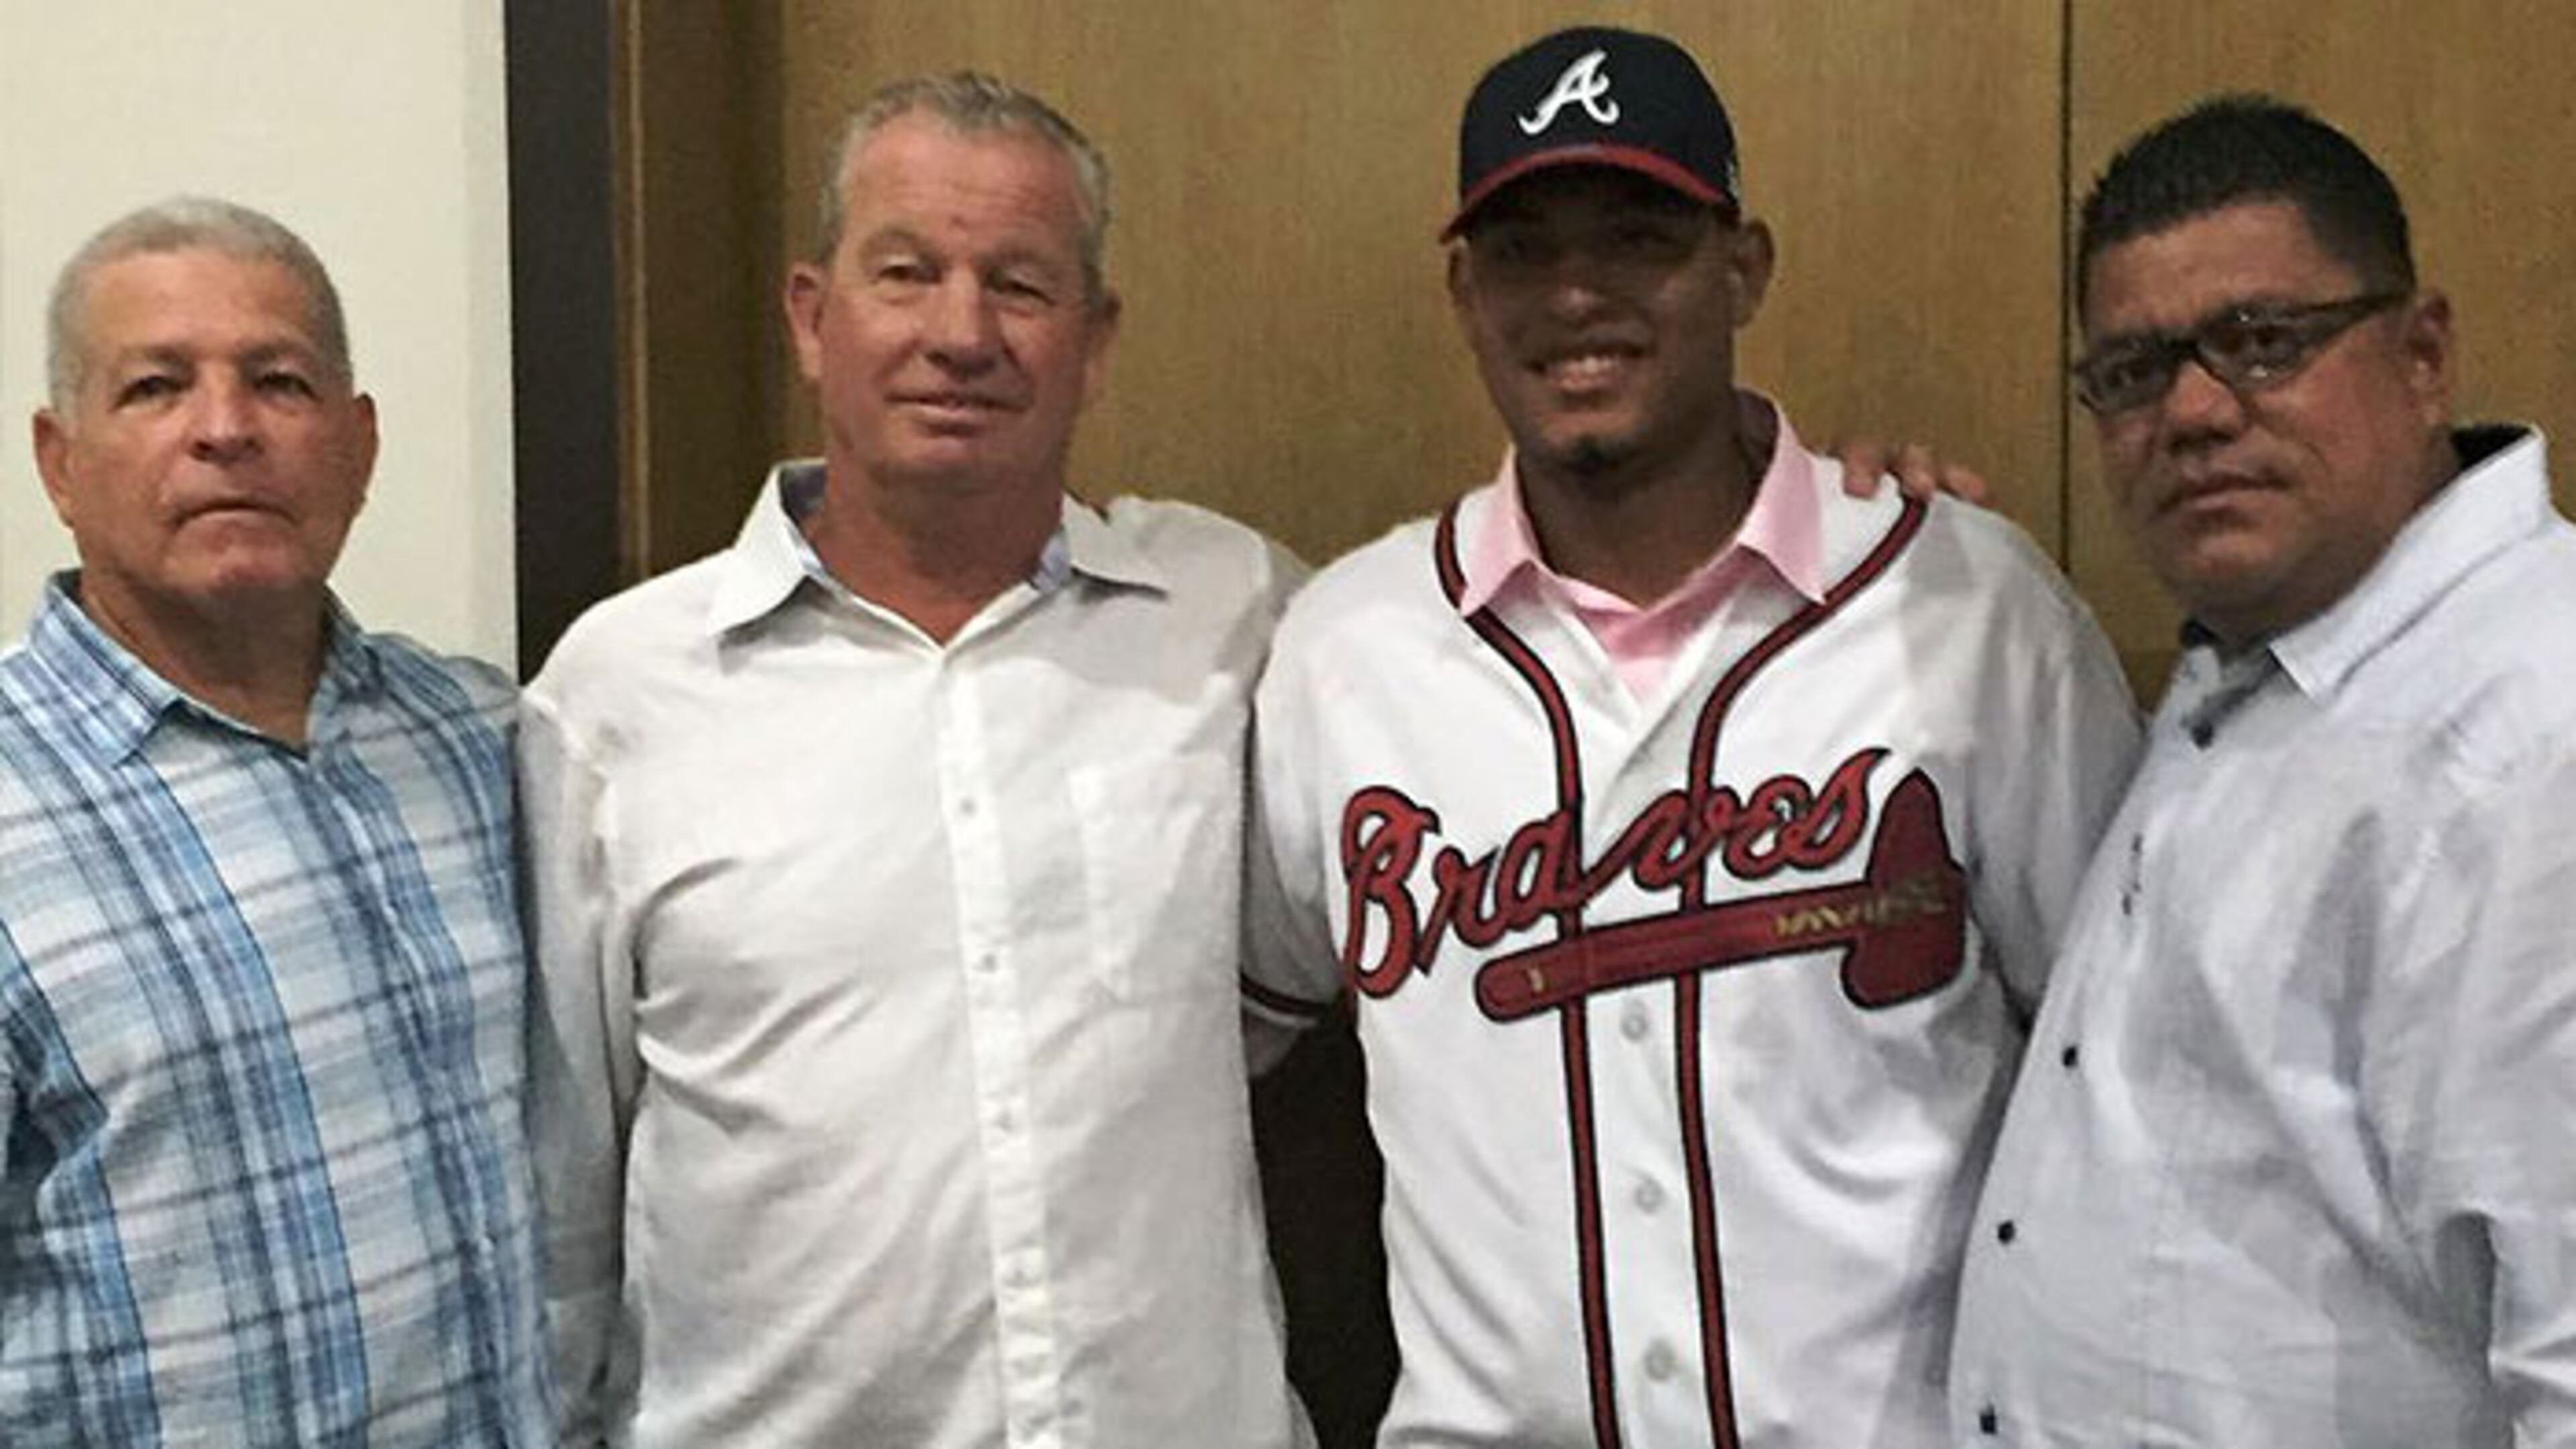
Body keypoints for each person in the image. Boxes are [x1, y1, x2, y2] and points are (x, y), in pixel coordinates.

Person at [1244, 25, 2143, 1448]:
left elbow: (2128, 1077)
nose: (1580, 294)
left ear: (1744, 266)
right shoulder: (1347, 654)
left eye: (1639, 237)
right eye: (1526, 251)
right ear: (1467, 292)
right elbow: (1220, 1047)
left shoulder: (1965, 605)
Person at [520, 73, 1313, 1446]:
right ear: (813, 318)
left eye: (1019, 284)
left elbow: (1466, 669)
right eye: (907, 273)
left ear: (1095, 337)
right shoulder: (617, 693)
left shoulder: (1235, 615)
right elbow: (559, 1185)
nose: (961, 333)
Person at [1947, 97, 2576, 1447]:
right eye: (2130, 372)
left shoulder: (2532, 734)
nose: (2189, 411)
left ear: (2422, 355)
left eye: (2261, 345)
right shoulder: (2277, 665)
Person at [0, 199, 552, 1444]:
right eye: (154, 387)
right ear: (59, 460)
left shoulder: (484, 742)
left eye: (279, 381)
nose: (226, 430)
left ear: (356, 448)